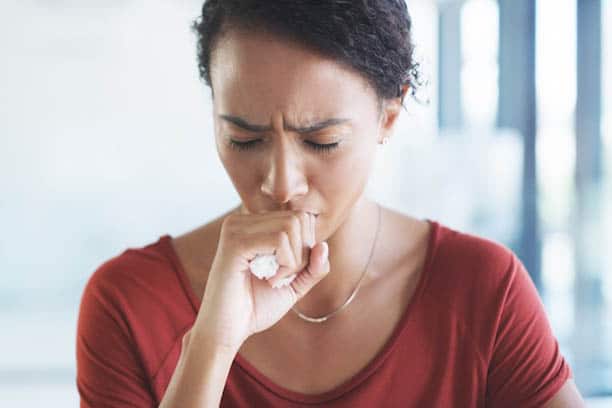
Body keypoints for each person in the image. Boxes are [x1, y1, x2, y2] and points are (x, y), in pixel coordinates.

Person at [76, 1, 586, 407]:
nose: (281, 184)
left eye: (321, 141)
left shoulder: (482, 291)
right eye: (243, 138)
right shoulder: (128, 303)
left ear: (388, 116)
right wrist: (210, 347)